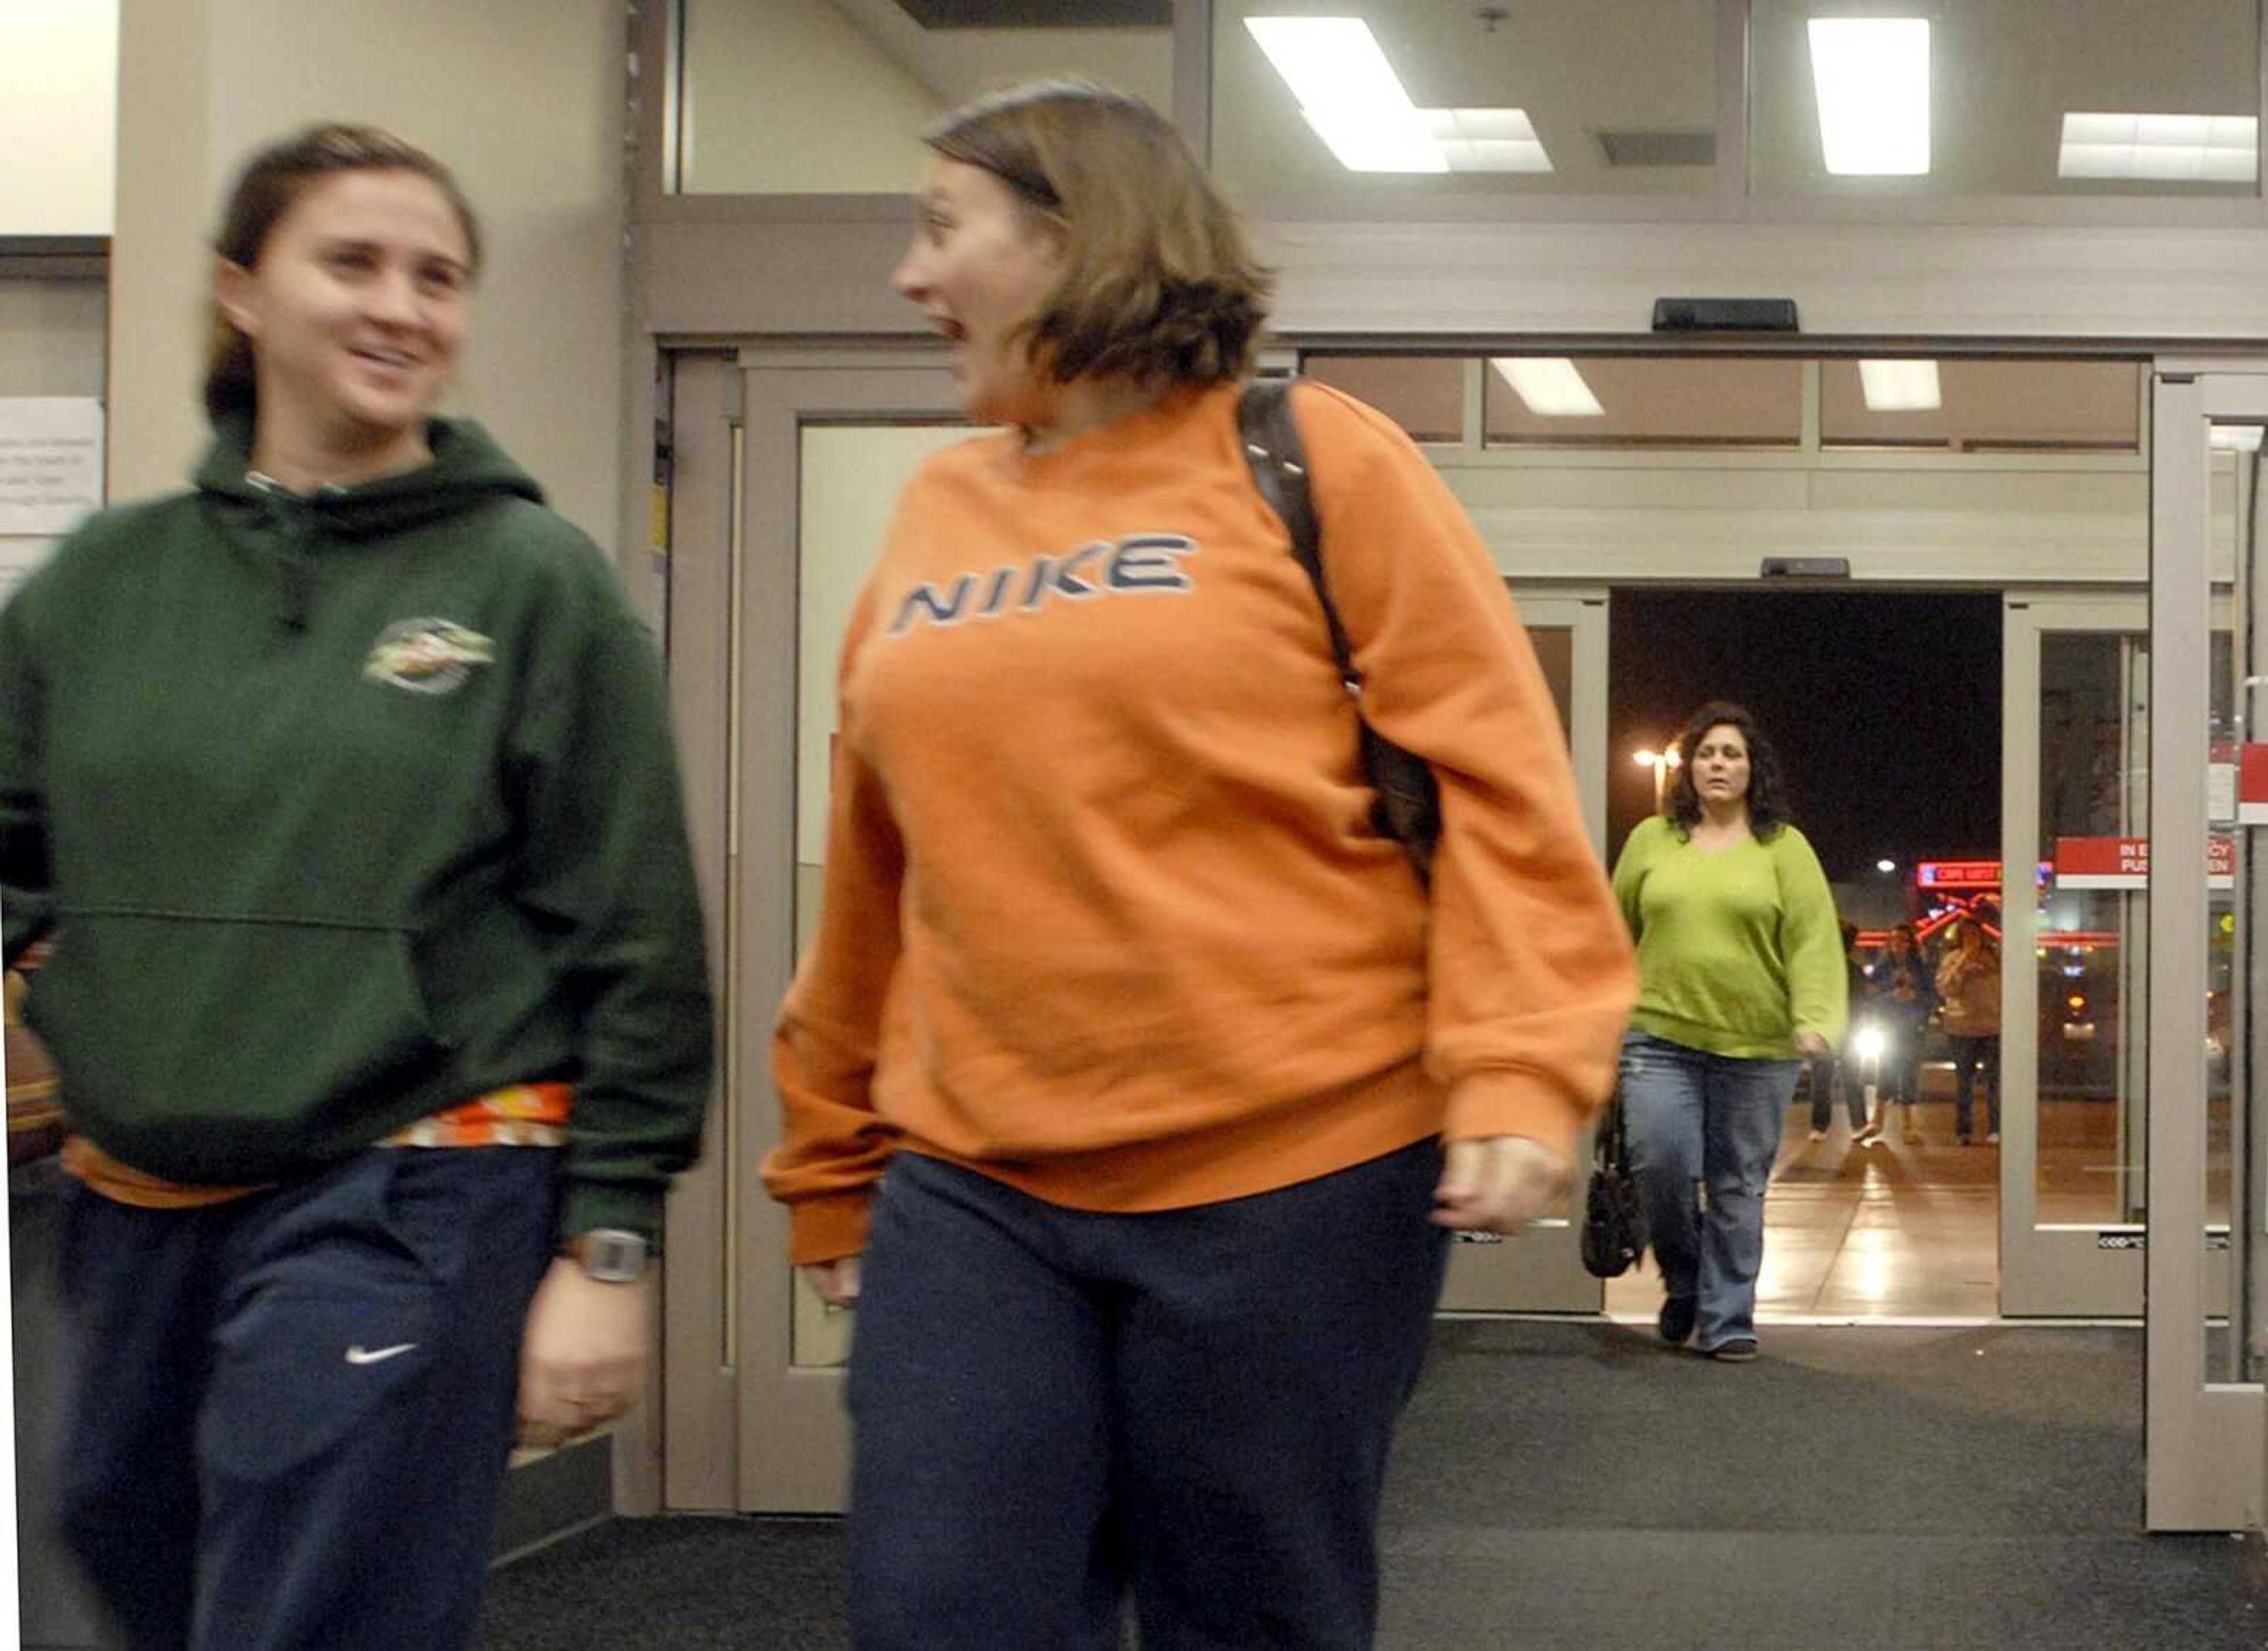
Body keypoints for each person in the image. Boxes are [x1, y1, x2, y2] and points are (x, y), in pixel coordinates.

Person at [762, 80, 1636, 1650]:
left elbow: (1501, 786)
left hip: (1293, 1174)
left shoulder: (1313, 459)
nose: (910, 276)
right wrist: (828, 1157)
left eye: (940, 227)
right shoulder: (938, 510)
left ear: (1074, 234)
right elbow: (877, 858)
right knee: (936, 1607)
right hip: (978, 1182)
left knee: (1253, 1617)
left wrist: (1521, 1067)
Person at [0, 125, 714, 1651]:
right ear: (242, 291)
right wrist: (74, 982)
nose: (402, 305)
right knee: (126, 1555)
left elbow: (640, 939)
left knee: (311, 1611)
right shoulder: (104, 583)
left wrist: (609, 1248)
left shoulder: (531, 579)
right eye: (354, 262)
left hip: (419, 1180)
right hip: (135, 1199)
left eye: (438, 276)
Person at [1611, 702, 1846, 1362]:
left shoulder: (1784, 848)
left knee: (1738, 1184)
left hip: (1758, 1048)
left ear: (1752, 769)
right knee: (1661, 1164)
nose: (1719, 764)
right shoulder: (1653, 840)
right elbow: (1614, 930)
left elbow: (1811, 942)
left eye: (1733, 754)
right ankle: (1684, 1279)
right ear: (1689, 766)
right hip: (1658, 1039)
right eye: (1708, 753)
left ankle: (1728, 1317)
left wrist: (1817, 1020)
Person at [1866, 922, 1935, 1143]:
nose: (1899, 945)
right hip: (1888, 1024)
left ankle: (1908, 1126)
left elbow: (1932, 997)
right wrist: (1891, 996)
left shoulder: (1921, 967)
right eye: (1895, 940)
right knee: (1884, 1069)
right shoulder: (1882, 967)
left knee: (1909, 1072)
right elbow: (1872, 995)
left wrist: (1915, 997)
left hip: (1912, 1026)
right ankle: (1877, 1122)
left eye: (1904, 940)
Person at [1936, 918, 2003, 1144]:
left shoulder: (1995, 958)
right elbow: (1945, 988)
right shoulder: (1952, 960)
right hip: (1962, 1027)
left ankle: (1996, 1128)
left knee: (1995, 1080)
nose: (1972, 939)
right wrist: (1963, 963)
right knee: (1964, 1081)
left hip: (1992, 1025)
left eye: (1975, 934)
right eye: (1966, 936)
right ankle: (1963, 1130)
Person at [1807, 919, 1871, 1142]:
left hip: (1831, 1028)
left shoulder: (1823, 967)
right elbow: (1862, 1002)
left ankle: (1822, 1126)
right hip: (1844, 1028)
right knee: (1847, 1078)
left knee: (1826, 1078)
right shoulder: (1853, 970)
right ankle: (1857, 1124)